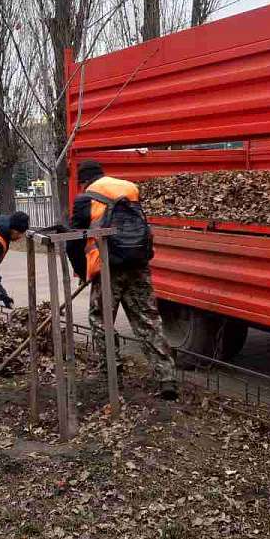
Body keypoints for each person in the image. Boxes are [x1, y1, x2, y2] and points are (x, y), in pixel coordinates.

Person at [67, 160, 178, 401]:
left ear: (83, 180)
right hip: (138, 264)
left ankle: (113, 374)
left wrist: (81, 271)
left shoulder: (85, 198)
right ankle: (166, 377)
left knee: (101, 320)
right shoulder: (129, 188)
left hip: (109, 269)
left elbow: (74, 241)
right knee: (148, 320)